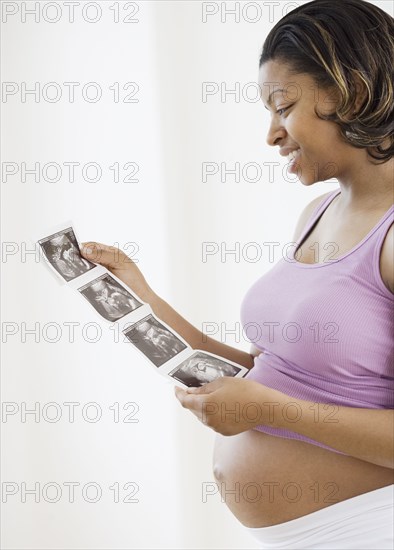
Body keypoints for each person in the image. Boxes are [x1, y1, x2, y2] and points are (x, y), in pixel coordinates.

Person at [80, 0, 393, 547]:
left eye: (283, 105)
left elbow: (273, 400)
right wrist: (143, 296)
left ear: (355, 94)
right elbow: (274, 373)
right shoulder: (317, 215)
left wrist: (268, 411)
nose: (271, 134)